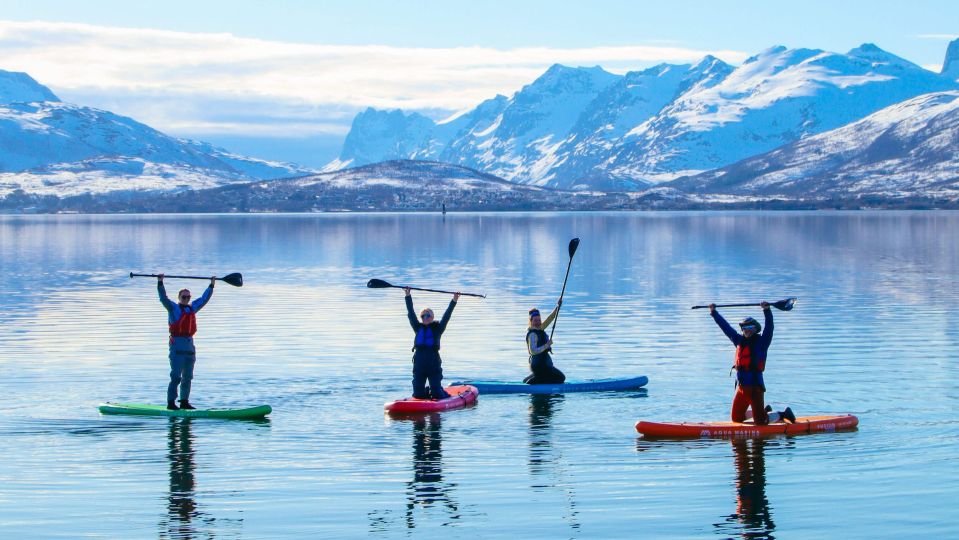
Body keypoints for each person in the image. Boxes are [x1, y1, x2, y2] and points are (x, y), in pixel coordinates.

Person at [709, 301, 795, 425]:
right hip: (742, 388)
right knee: (736, 419)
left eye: (750, 328)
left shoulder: (762, 342)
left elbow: (769, 328)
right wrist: (714, 313)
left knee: (760, 422)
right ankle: (764, 411)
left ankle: (783, 414)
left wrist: (766, 310)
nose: (746, 331)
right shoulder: (738, 340)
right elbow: (726, 328)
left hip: (755, 388)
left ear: (755, 329)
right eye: (744, 328)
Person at [159, 274, 215, 410]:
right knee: (176, 377)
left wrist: (211, 285)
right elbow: (163, 298)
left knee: (188, 377)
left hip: (190, 348)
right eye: (184, 297)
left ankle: (184, 401)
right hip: (177, 347)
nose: (186, 299)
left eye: (188, 297)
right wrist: (160, 283)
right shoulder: (173, 308)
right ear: (179, 298)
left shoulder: (192, 308)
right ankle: (171, 403)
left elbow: (203, 299)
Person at [405, 287, 459, 400]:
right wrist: (407, 295)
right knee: (417, 395)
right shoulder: (417, 327)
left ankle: (438, 391)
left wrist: (454, 300)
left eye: (427, 315)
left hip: (433, 364)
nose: (425, 317)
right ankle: (425, 392)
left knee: (437, 394)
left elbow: (447, 316)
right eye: (423, 316)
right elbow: (411, 313)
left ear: (432, 317)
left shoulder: (438, 328)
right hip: (419, 363)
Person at [524, 300, 565, 385]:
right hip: (538, 366)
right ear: (530, 322)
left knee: (556, 377)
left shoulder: (540, 328)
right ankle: (533, 381)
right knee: (561, 378)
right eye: (535, 321)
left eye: (539, 320)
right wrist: (547, 345)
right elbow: (533, 351)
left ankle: (533, 378)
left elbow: (550, 319)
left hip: (543, 365)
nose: (538, 322)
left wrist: (558, 307)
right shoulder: (532, 334)